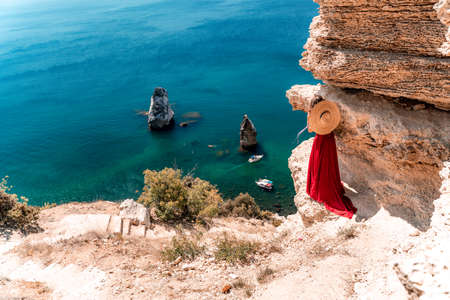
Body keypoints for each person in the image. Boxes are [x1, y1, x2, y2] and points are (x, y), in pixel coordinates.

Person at [306, 100, 357, 219]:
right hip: (329, 138)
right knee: (329, 164)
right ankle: (332, 185)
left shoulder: (312, 116)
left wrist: (309, 117)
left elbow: (310, 130)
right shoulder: (327, 112)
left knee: (321, 166)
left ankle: (322, 189)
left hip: (321, 141)